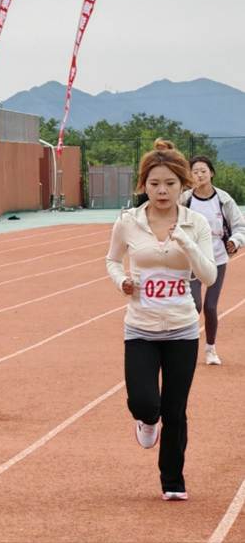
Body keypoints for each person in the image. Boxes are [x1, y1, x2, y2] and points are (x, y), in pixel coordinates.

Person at [106, 139, 216, 502]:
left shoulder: (195, 223)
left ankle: (172, 479)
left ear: (183, 185)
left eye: (170, 183)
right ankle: (147, 420)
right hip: (140, 327)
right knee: (144, 402)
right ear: (144, 185)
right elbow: (112, 259)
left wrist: (187, 244)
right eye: (154, 183)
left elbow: (209, 275)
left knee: (176, 409)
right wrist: (122, 280)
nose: (162, 191)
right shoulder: (128, 222)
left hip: (182, 329)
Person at [180, 155, 245, 365]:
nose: (199, 175)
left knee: (210, 306)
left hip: (217, 258)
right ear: (190, 175)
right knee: (194, 305)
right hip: (192, 259)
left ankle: (210, 349)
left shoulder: (224, 200)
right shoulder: (185, 199)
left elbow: (240, 226)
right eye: (195, 172)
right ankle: (185, 348)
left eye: (203, 171)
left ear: (211, 173)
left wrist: (234, 241)